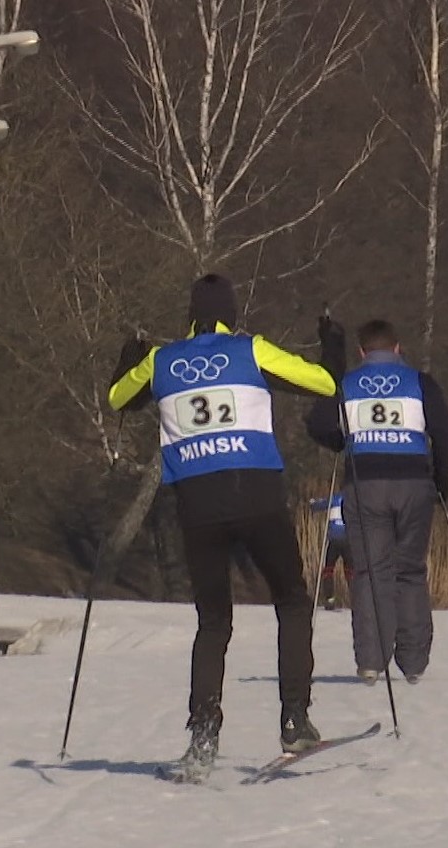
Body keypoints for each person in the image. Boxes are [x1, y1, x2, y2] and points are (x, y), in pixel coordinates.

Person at [107, 272, 344, 780]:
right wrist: (333, 343)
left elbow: (117, 399)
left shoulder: (161, 361)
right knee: (292, 600)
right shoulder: (250, 350)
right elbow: (324, 382)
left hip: (197, 508)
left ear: (190, 316)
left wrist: (131, 354)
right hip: (256, 497)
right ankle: (295, 717)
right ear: (230, 312)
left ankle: (203, 734)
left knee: (213, 622)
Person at [307, 319, 448, 686]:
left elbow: (318, 423)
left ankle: (371, 661)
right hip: (413, 484)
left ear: (361, 352)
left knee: (371, 572)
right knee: (410, 570)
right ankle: (414, 661)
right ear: (397, 348)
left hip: (365, 483)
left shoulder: (346, 384)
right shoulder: (421, 383)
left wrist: (341, 442)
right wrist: (441, 483)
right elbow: (444, 431)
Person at [308, 493, 351, 609]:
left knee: (328, 569)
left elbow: (319, 505)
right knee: (350, 570)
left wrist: (312, 504)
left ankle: (329, 599)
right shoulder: (354, 498)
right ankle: (357, 598)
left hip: (335, 540)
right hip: (348, 540)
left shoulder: (334, 498)